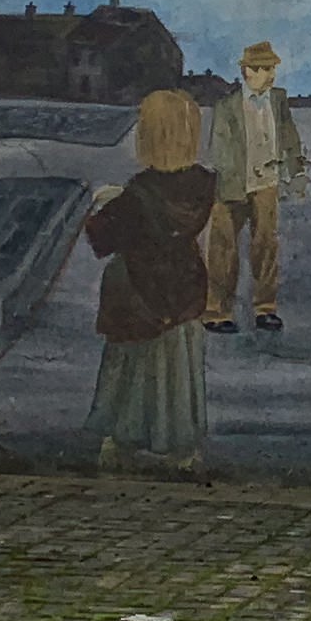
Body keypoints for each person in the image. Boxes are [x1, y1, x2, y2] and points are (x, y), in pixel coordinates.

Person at [85, 87, 218, 467]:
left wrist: (102, 203)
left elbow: (102, 238)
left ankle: (124, 440)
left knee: (132, 370)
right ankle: (182, 447)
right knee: (178, 373)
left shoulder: (138, 192)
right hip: (184, 290)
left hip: (139, 296)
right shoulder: (204, 183)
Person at [203, 41, 308, 335]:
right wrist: (237, 174)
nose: (271, 75)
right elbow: (219, 150)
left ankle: (265, 309)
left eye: (272, 69)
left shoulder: (278, 100)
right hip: (232, 186)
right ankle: (217, 311)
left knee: (266, 246)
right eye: (265, 69)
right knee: (223, 248)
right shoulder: (227, 106)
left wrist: (296, 172)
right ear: (248, 71)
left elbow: (290, 137)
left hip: (266, 186)